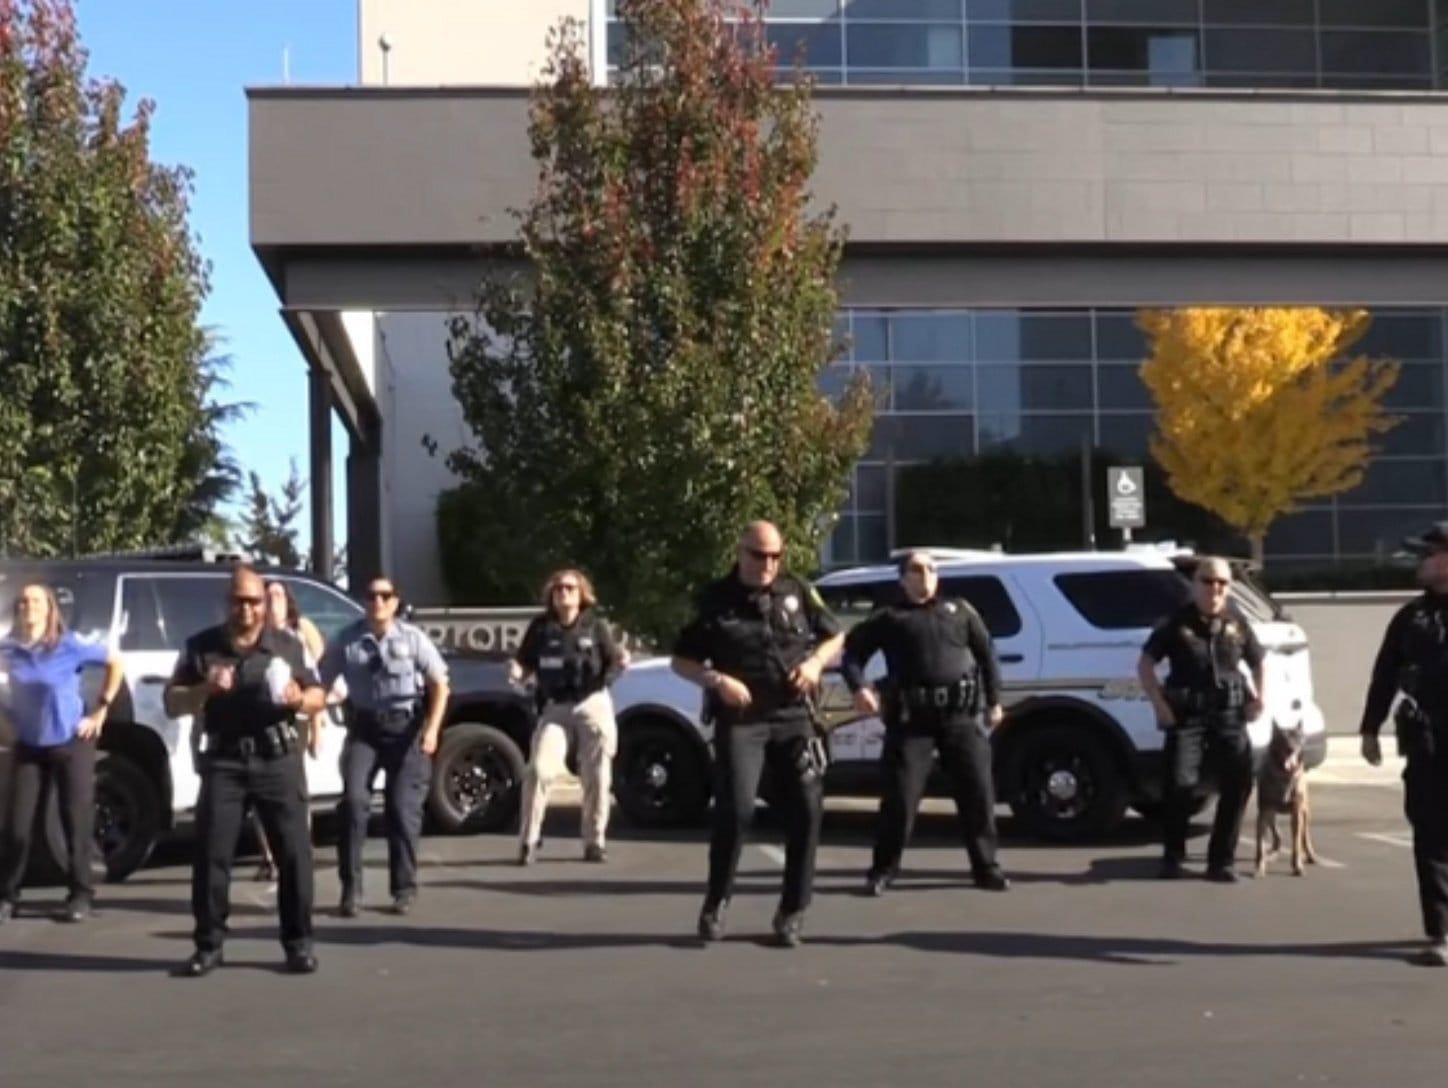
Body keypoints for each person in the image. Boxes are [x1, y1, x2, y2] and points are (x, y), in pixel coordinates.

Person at [671, 520, 844, 948]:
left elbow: (835, 634)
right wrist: (717, 682)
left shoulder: (797, 591)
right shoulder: (715, 600)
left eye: (775, 556)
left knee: (807, 809)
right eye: (758, 555)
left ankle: (792, 911)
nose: (767, 564)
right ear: (740, 551)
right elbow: (682, 661)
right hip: (743, 720)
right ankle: (716, 902)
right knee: (737, 810)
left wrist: (815, 664)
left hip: (794, 716)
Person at [164, 565, 326, 976]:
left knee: (293, 855)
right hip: (225, 762)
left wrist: (297, 699)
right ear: (228, 602)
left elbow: (319, 695)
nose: (248, 609)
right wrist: (204, 690)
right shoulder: (202, 647)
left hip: (277, 759)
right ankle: (209, 945)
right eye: (240, 601)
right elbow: (172, 701)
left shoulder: (287, 645)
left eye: (254, 601)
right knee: (212, 855)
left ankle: (298, 943)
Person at [840, 550, 1008, 897]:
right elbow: (852, 654)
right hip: (911, 721)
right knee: (900, 799)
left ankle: (986, 868)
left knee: (978, 793)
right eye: (917, 570)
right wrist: (860, 688)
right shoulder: (890, 617)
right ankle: (883, 871)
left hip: (960, 717)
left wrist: (994, 700)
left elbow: (987, 655)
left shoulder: (959, 611)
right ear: (903, 578)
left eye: (931, 569)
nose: (926, 575)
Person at [319, 575, 449, 918]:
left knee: (402, 809)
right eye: (371, 595)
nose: (378, 602)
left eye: (385, 596)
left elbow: (440, 684)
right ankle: (351, 889)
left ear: (395, 602)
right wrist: (308, 709)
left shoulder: (412, 638)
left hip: (406, 728)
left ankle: (404, 888)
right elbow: (321, 682)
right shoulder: (347, 640)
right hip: (365, 728)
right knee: (353, 803)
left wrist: (432, 730)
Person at [0, 583, 124, 924]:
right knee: (17, 826)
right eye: (23, 601)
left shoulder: (69, 644)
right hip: (28, 745)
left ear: (49, 607)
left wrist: (100, 710)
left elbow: (115, 662)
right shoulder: (8, 648)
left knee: (76, 820)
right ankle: (8, 896)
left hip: (71, 741)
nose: (29, 606)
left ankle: (81, 894)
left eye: (36, 600)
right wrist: (5, 720)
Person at [1137, 556, 1265, 883]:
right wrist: (1159, 705)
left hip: (1229, 714)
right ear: (1195, 585)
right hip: (1188, 715)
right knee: (1180, 784)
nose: (1215, 588)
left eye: (1222, 582)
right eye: (1207, 581)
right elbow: (1145, 664)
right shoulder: (1176, 623)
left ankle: (1221, 861)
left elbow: (1258, 661)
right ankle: (1173, 855)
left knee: (1238, 784)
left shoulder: (1237, 622)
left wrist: (1259, 699)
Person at [1360, 521, 1448, 967]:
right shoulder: (1411, 617)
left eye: (1427, 555)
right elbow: (1385, 674)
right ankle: (1440, 933)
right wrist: (1370, 728)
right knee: (1430, 835)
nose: (1420, 563)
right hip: (1429, 742)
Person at [510, 568, 628, 865]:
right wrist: (516, 673)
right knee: (539, 769)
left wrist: (620, 664)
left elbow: (615, 659)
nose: (563, 592)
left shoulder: (595, 626)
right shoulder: (540, 628)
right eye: (558, 588)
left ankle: (594, 841)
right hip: (556, 707)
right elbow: (524, 664)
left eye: (569, 588)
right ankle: (529, 840)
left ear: (581, 595)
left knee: (597, 773)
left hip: (592, 702)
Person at [247, 579, 329, 881]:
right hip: (260, 720)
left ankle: (299, 847)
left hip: (297, 719)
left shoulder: (299, 631)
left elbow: (315, 679)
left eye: (279, 594)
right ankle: (268, 856)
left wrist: (318, 726)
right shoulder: (252, 637)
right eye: (268, 595)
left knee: (294, 788)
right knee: (259, 791)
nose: (274, 600)